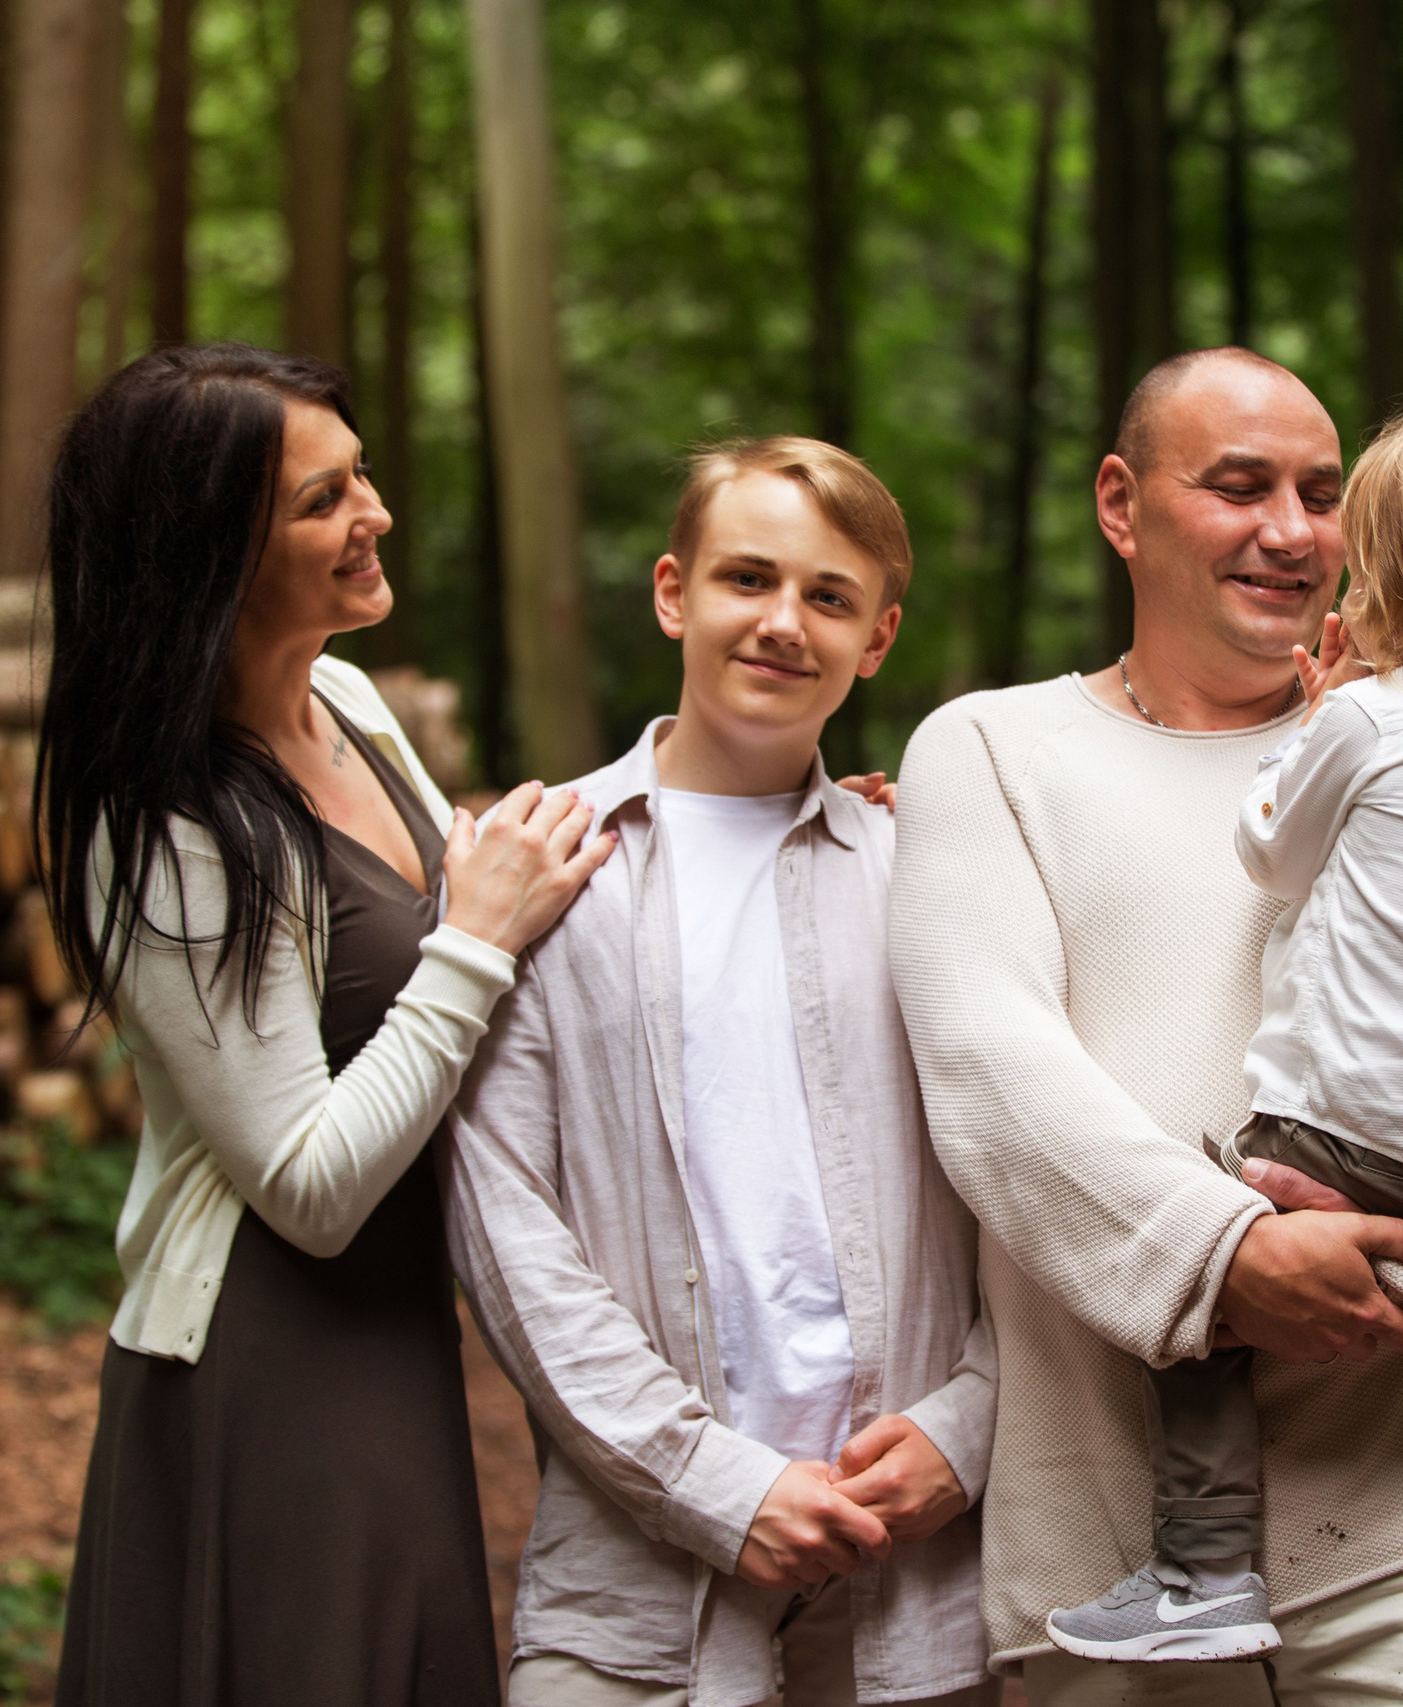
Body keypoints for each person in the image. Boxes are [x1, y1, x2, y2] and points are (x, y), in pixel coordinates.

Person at [890, 348, 1403, 1706]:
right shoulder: (991, 750)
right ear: (1122, 503)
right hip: (1114, 1539)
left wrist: (1390, 1289)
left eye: (1324, 493)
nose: (1294, 531)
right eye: (1239, 485)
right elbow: (988, 1066)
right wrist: (1227, 1258)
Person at [44, 344, 614, 1706]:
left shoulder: (348, 704)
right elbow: (305, 1183)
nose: (377, 513)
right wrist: (475, 935)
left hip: (391, 1324)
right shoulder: (165, 818)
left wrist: (790, 822)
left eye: (360, 475)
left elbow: (506, 884)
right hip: (268, 1354)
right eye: (323, 499)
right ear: (207, 556)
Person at [444, 437, 1000, 1707]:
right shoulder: (538, 867)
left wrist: (969, 1430)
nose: (781, 623)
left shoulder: (929, 874)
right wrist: (715, 1484)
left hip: (908, 1578)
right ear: (670, 592)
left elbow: (1021, 1184)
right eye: (747, 578)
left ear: (879, 639)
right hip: (636, 1585)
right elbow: (506, 1232)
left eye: (828, 597)